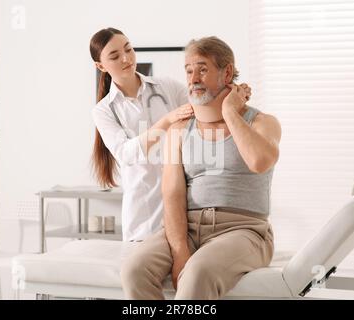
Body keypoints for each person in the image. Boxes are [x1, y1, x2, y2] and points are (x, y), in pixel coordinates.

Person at [121, 36, 282, 299]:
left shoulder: (262, 122)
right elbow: (172, 194)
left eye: (203, 69)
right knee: (134, 270)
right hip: (190, 227)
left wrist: (230, 111)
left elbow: (259, 161)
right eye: (188, 70)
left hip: (244, 231)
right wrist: (180, 249)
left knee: (197, 273)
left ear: (226, 72)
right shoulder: (180, 129)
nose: (193, 78)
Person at [90, 28, 251, 241]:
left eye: (129, 49)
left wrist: (233, 92)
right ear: (100, 66)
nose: (126, 58)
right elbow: (126, 154)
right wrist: (167, 120)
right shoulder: (104, 110)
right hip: (144, 217)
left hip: (185, 208)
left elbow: (206, 105)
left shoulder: (166, 87)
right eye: (115, 56)